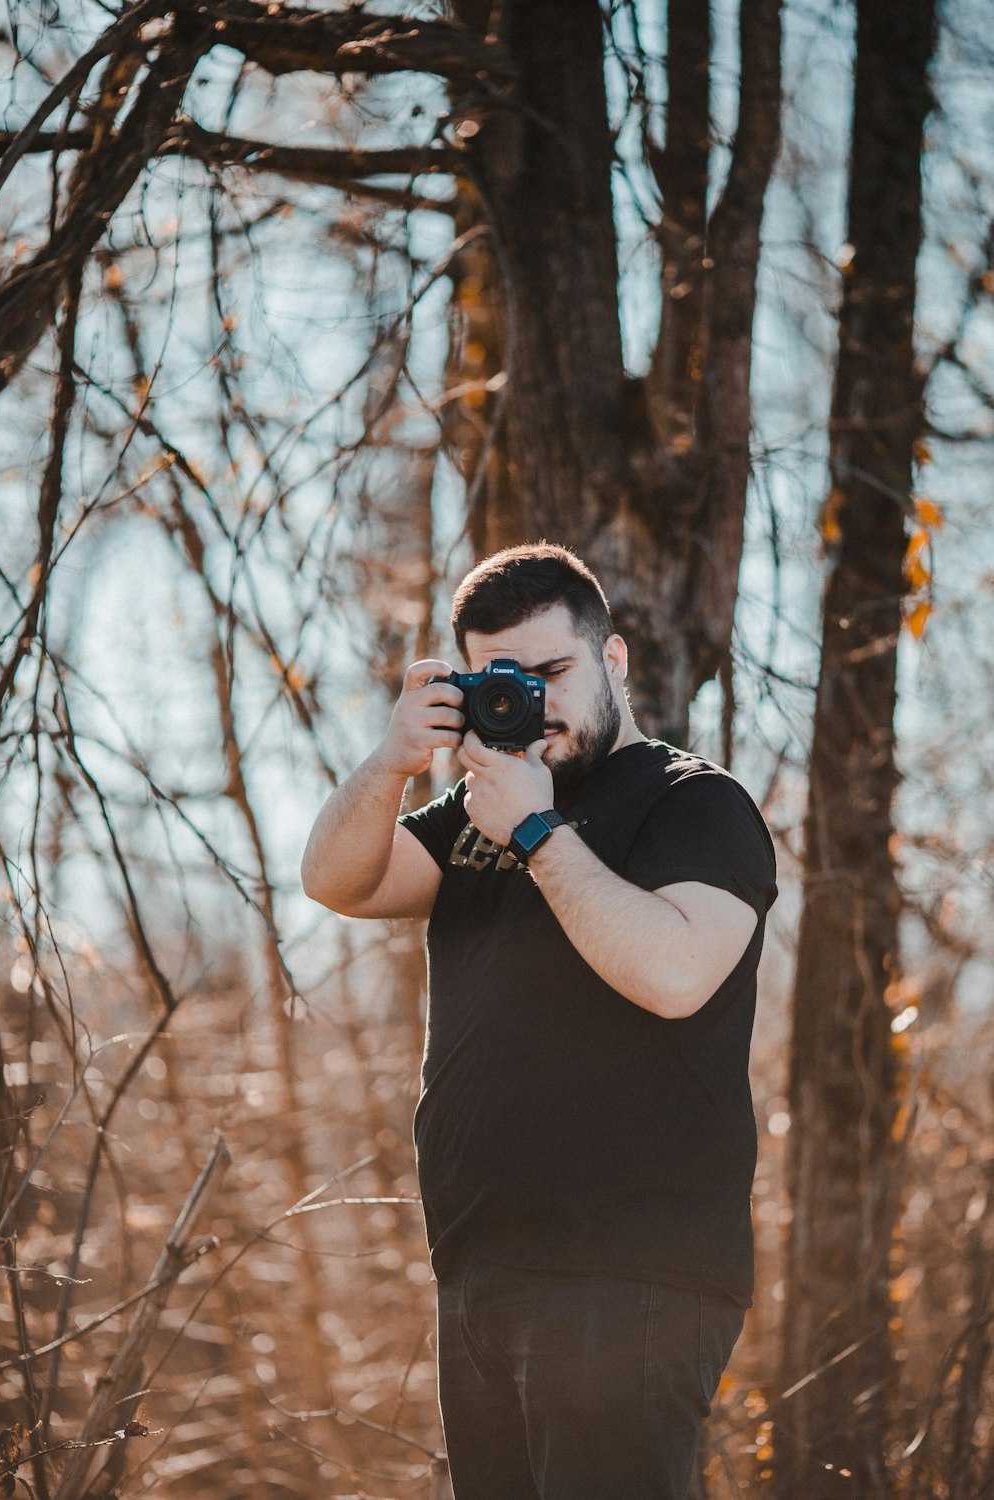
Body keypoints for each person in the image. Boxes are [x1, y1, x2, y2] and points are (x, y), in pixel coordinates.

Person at [301, 543, 777, 1500]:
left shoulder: (697, 804)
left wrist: (536, 833)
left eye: (553, 671)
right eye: (502, 680)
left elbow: (676, 973)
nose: (534, 701)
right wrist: (393, 760)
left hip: (629, 1273)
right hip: (482, 1272)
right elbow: (338, 881)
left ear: (614, 659)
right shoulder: (484, 809)